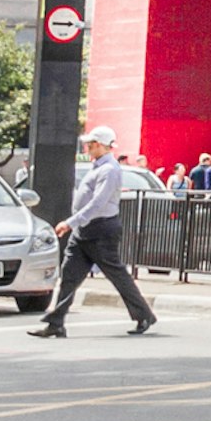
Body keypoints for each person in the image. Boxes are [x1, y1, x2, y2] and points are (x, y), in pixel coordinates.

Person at [34, 125, 158, 339]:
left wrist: (71, 222)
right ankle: (56, 323)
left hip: (101, 230)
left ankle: (144, 315)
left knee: (117, 275)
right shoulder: (98, 166)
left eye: (90, 144)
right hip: (85, 230)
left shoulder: (109, 169)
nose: (87, 147)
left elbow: (98, 204)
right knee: (69, 276)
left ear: (101, 145)